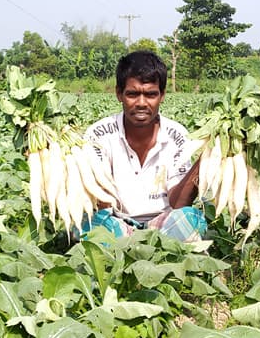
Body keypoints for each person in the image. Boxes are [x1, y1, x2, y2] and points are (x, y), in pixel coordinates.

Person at [82, 51, 206, 243]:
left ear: (162, 95)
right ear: (119, 94)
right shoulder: (99, 134)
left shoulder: (177, 135)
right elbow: (102, 203)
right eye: (132, 94)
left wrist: (206, 160)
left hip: (162, 223)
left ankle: (141, 248)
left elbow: (178, 203)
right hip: (114, 221)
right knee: (87, 224)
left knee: (189, 220)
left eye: (150, 95)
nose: (141, 103)